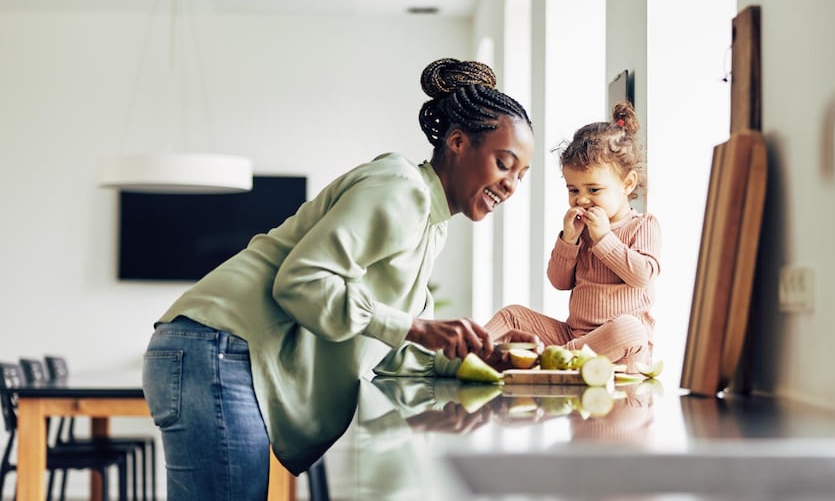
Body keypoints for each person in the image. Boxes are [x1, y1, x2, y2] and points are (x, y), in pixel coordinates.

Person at [141, 58, 539, 501]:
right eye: (505, 164)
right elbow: (302, 282)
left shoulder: (431, 224)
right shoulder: (401, 187)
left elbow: (399, 346)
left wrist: (489, 356)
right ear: (459, 142)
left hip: (217, 351)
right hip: (216, 345)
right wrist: (417, 327)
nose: (511, 185)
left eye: (521, 175)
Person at [484, 101, 661, 373]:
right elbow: (559, 281)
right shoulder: (582, 232)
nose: (582, 199)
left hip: (615, 347)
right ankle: (469, 351)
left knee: (631, 329)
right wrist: (568, 241)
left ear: (627, 184)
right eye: (573, 190)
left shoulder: (643, 225)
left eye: (594, 189)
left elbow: (643, 275)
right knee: (512, 315)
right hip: (573, 336)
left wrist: (604, 239)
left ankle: (552, 360)